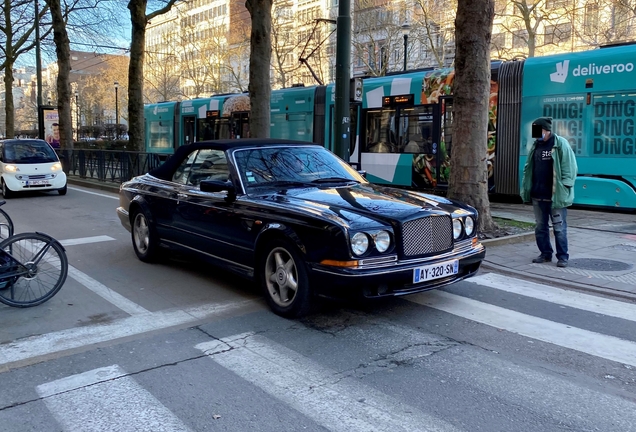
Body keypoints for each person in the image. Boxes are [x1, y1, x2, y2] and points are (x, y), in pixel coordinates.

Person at [520, 117, 578, 268]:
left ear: (547, 130)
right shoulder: (535, 145)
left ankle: (563, 257)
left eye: (538, 131)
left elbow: (570, 168)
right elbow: (529, 168)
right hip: (538, 194)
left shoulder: (560, 144)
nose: (536, 134)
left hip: (555, 195)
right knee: (540, 227)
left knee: (559, 228)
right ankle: (545, 254)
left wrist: (565, 187)